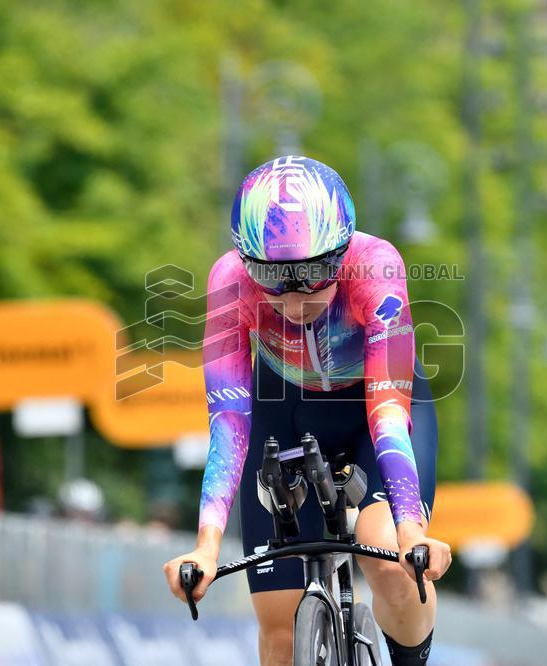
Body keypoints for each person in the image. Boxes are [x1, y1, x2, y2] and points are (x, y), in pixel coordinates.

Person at [163, 156, 453, 666]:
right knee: (279, 635)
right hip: (284, 414)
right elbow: (230, 425)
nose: (294, 300)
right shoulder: (230, 281)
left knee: (385, 557)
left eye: (315, 275)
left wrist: (411, 530)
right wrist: (205, 546)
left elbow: (387, 412)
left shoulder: (377, 266)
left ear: (341, 254)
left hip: (372, 409)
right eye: (272, 280)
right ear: (246, 262)